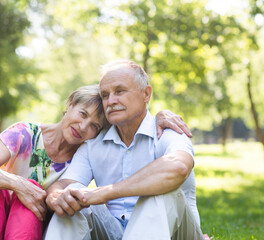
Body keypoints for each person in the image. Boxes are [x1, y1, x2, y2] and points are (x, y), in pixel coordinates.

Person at [0, 84, 190, 240]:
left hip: (39, 226)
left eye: (94, 126)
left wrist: (160, 115)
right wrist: (19, 185)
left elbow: (130, 123)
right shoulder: (25, 133)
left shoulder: (85, 152)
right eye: (82, 114)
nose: (83, 127)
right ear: (69, 103)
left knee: (33, 199)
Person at [44, 60, 204, 240]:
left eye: (120, 91)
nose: (111, 101)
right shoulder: (93, 145)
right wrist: (56, 196)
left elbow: (178, 167)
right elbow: (64, 184)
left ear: (146, 94)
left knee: (160, 192)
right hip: (115, 231)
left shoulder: (169, 131)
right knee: (72, 196)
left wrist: (104, 192)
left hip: (176, 232)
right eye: (105, 95)